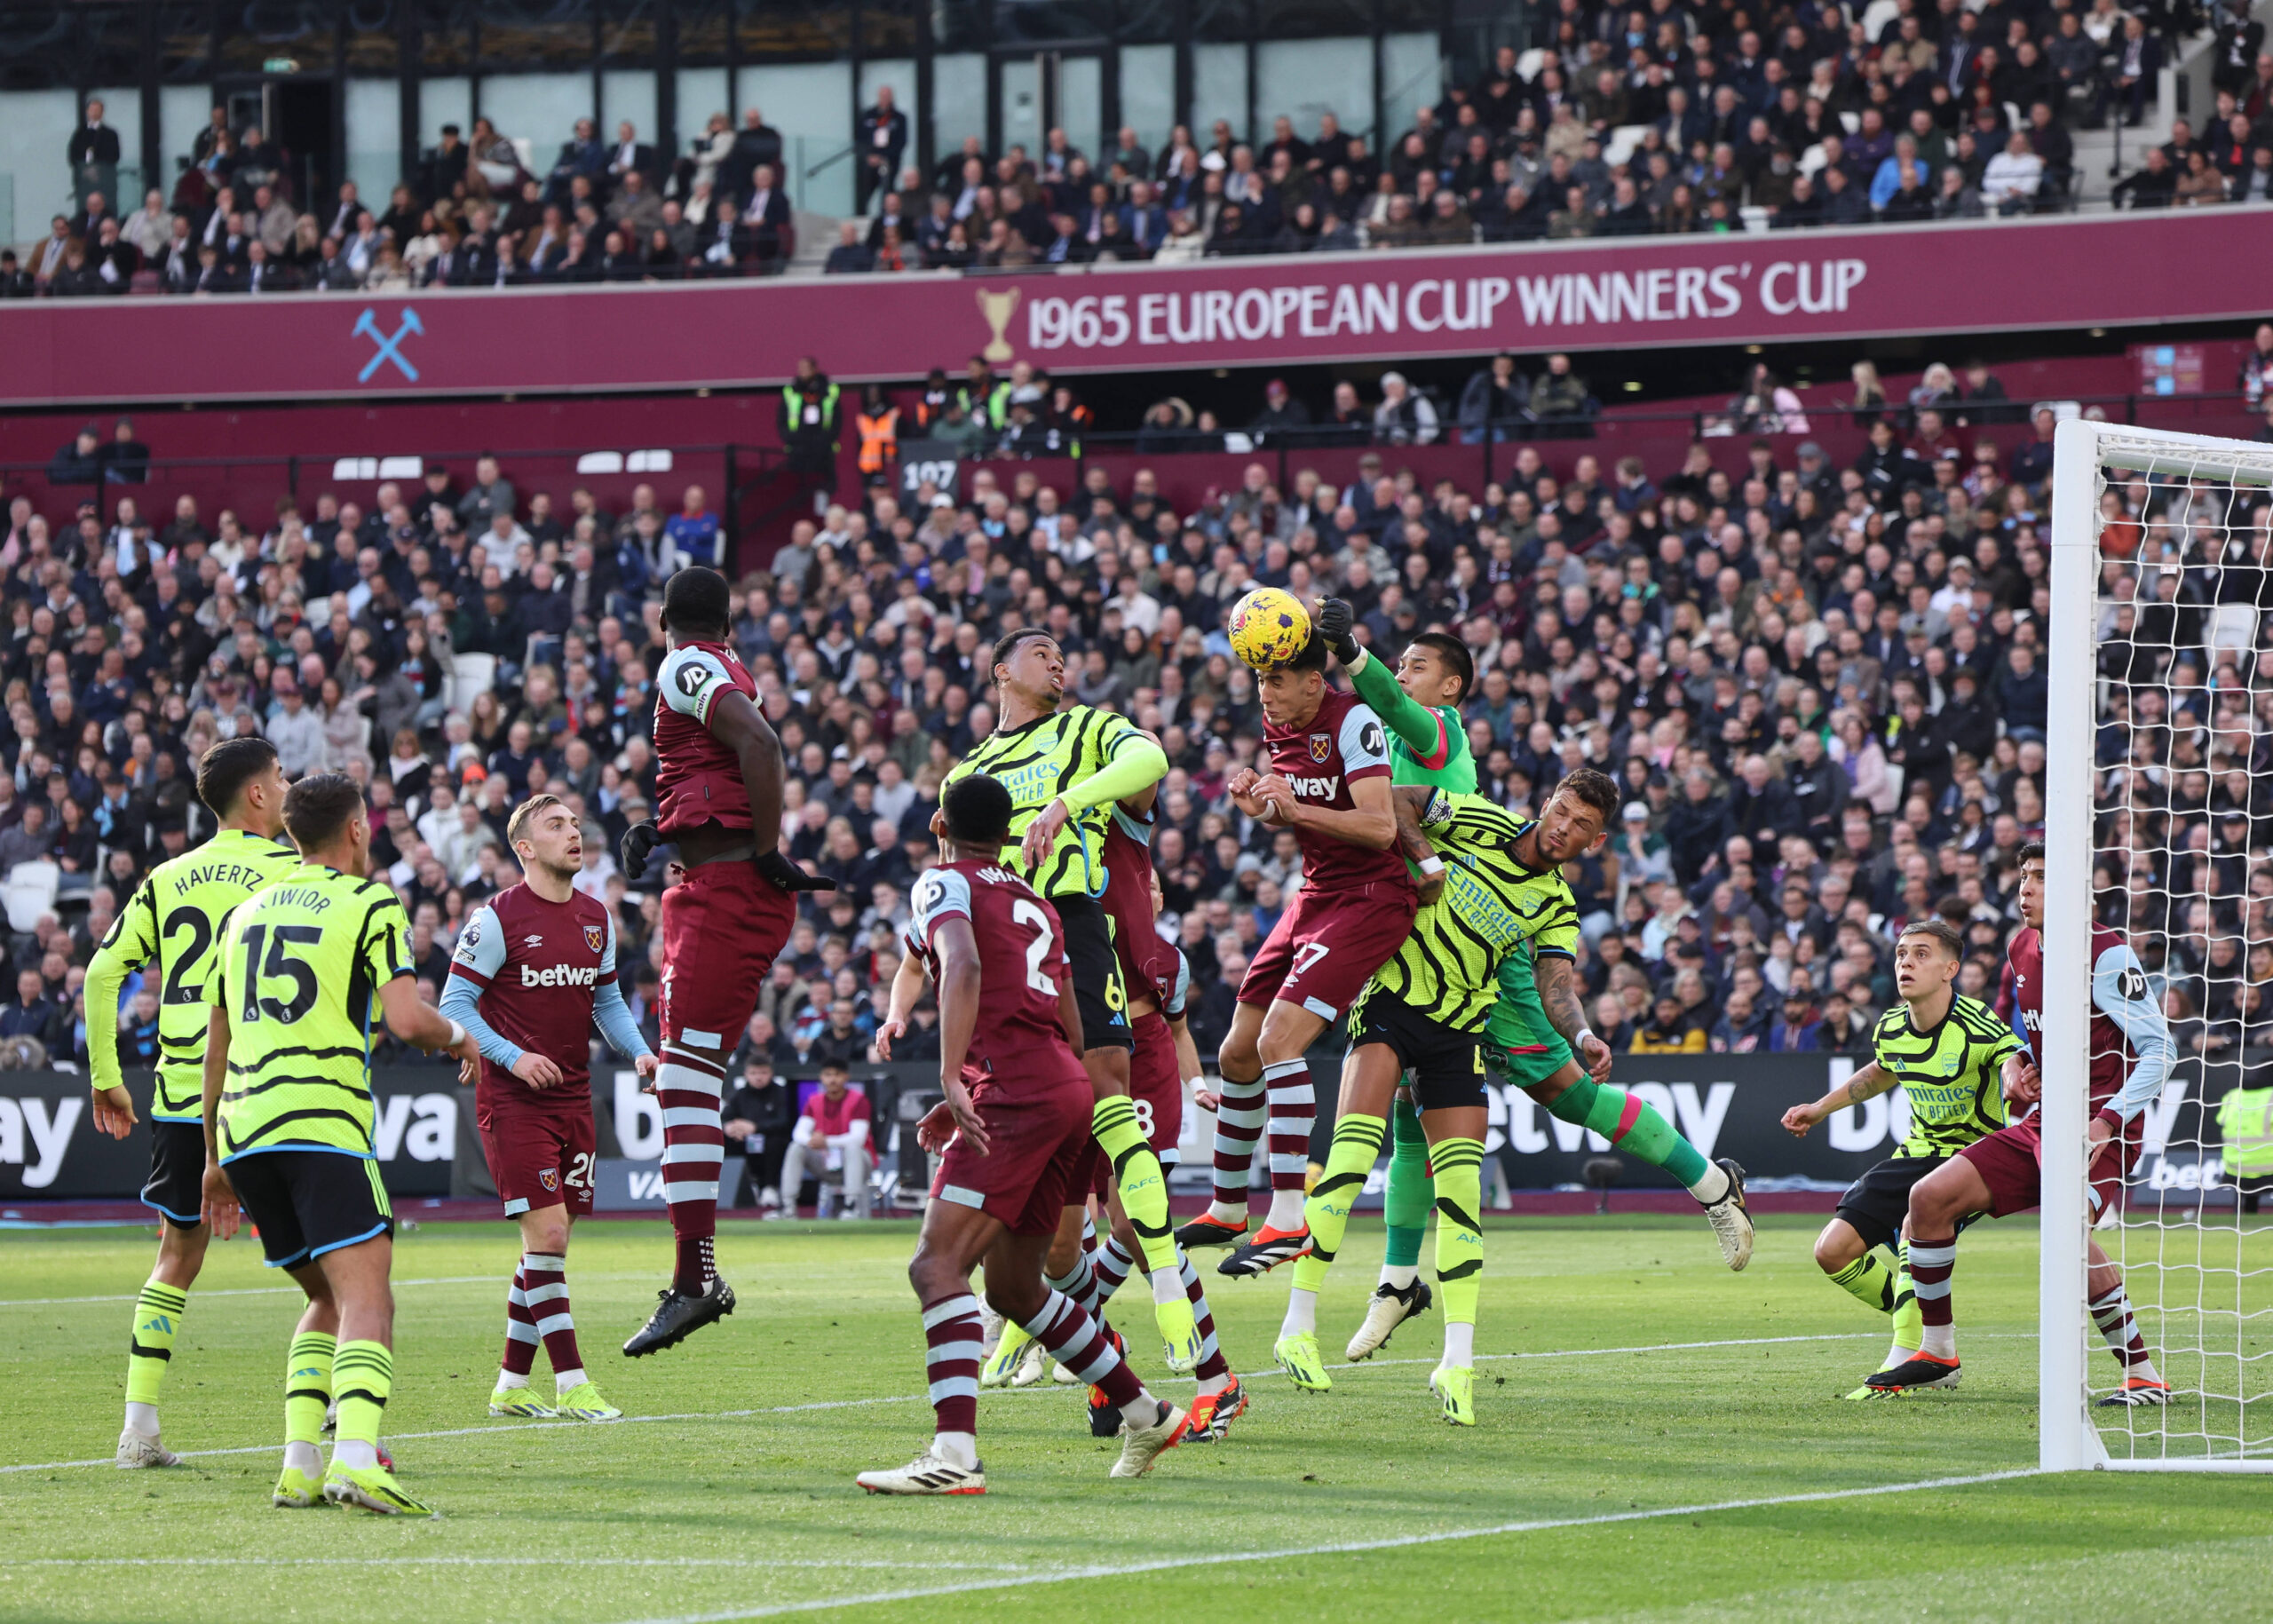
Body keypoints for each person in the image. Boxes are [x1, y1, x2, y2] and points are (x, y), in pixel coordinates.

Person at [1310, 602, 1752, 1364]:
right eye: (1401, 662)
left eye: (1417, 664)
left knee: (1572, 1098)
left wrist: (1349, 647)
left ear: (1449, 685)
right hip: (1420, 946)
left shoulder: (1438, 730)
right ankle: (1397, 1281)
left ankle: (1711, 1183)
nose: (1403, 673)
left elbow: (1384, 701)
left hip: (1492, 953)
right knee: (1414, 1112)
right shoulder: (1399, 749)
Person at [856, 773, 1191, 1493]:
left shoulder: (943, 882)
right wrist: (1051, 1083)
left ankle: (953, 1454)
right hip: (1061, 1085)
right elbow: (1070, 1004)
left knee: (934, 1266)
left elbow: (965, 964)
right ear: (1009, 832)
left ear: (940, 820)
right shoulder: (1033, 895)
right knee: (1014, 1287)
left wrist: (953, 1075)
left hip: (1014, 1088)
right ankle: (1145, 1410)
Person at [198, 773, 479, 1514]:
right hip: (322, 1122)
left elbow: (215, 1044)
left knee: (324, 1296)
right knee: (368, 1298)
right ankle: (357, 1458)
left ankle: (299, 1463)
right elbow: (408, 1021)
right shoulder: (370, 901)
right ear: (356, 830)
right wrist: (462, 1036)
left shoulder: (244, 913)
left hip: (246, 1132)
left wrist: (211, 1159)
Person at [938, 630, 1195, 1359]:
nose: (1059, 662)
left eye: (1062, 654)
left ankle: (1171, 1292)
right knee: (1023, 1138)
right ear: (1001, 671)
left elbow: (1150, 758)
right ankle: (1026, 1311)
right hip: (1002, 948)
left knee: (1112, 1092)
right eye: (1042, 653)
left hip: (1073, 923)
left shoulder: (1083, 729)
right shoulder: (968, 770)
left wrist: (1065, 804)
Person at [614, 566, 834, 1357]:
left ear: (665, 618)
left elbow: (759, 744)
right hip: (718, 879)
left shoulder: (684, 662)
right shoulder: (727, 664)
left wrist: (766, 851)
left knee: (684, 1079)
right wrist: (665, 827)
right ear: (730, 621)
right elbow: (726, 768)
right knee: (688, 1076)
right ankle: (693, 1274)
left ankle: (695, 1277)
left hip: (727, 888)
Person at [1874, 845, 2174, 1401]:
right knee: (1928, 1199)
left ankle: (2143, 1376)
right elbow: (2039, 1037)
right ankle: (1938, 1350)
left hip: (2100, 1126)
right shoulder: (2021, 947)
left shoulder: (2106, 954)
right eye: (2023, 876)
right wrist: (2021, 1068)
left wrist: (2107, 1122)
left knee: (2067, 1235)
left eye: (2040, 876)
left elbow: (2160, 1050)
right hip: (2045, 1119)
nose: (2026, 887)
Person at [85, 739, 302, 1469]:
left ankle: (137, 1429)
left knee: (176, 1257)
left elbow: (101, 972)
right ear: (258, 796)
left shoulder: (166, 877)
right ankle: (337, 1422)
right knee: (343, 1259)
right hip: (274, 1091)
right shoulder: (294, 873)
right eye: (281, 777)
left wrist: (106, 1074)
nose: (289, 785)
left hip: (181, 1098)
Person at [1180, 627, 1415, 1277]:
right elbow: (1290, 808)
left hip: (1370, 897)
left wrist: (1292, 809)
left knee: (1279, 1041)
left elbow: (1378, 826)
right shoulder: (1279, 721)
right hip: (1315, 893)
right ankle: (1229, 1206)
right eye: (1259, 679)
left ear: (1314, 680)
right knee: (1234, 1050)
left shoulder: (1354, 720)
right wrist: (1260, 806)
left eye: (1276, 679)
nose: (1265, 691)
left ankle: (1287, 1218)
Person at [441, 794, 656, 1422]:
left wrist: (641, 1053)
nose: (574, 832)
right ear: (525, 848)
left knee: (546, 1247)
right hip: (513, 1098)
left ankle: (510, 1383)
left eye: (574, 823)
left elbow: (607, 1002)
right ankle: (572, 1383)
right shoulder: (496, 918)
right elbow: (455, 1005)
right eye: (555, 825)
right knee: (551, 1234)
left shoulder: (598, 917)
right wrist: (511, 1056)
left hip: (574, 1095)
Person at [1779, 919, 2017, 1398]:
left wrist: (2016, 1077)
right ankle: (1921, 1317)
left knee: (1916, 1225)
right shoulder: (1891, 1025)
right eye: (1902, 953)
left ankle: (1907, 1358)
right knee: (1831, 1251)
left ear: (1951, 969)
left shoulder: (1977, 1025)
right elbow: (1882, 1071)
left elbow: (2011, 1056)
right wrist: (1819, 1109)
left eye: (1922, 954)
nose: (1906, 962)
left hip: (1971, 1161)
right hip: (1915, 1154)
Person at [777, 1061, 873, 1217]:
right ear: (821, 1078)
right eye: (828, 1075)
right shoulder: (814, 1101)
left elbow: (858, 1138)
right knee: (796, 1147)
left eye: (837, 1075)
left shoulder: (859, 1100)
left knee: (852, 1147)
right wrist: (811, 1141)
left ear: (846, 1077)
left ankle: (851, 1205)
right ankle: (788, 1207)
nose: (832, 1080)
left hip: (858, 1163)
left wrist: (826, 1141)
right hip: (824, 1161)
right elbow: (799, 1133)